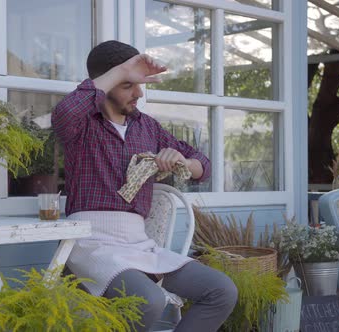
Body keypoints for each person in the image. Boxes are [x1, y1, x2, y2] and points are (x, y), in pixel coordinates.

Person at [52, 40, 237, 332]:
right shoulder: (82, 124)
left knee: (221, 291)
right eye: (128, 84)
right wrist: (123, 69)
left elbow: (203, 166)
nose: (138, 92)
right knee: (147, 299)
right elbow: (64, 112)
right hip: (90, 242)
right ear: (105, 83)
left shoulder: (147, 127)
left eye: (139, 84)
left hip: (139, 243)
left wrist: (181, 162)